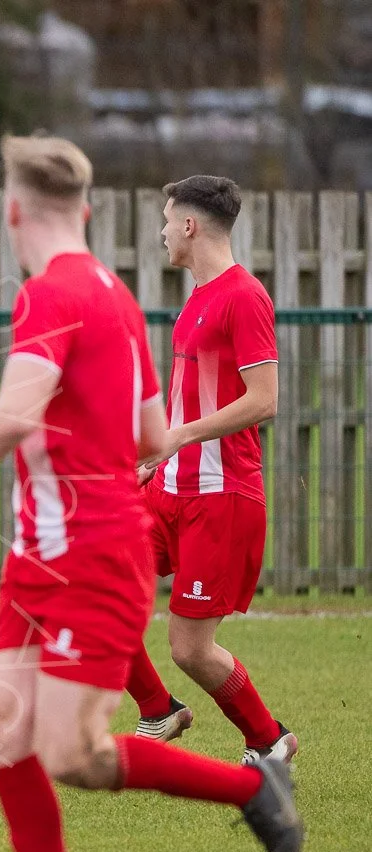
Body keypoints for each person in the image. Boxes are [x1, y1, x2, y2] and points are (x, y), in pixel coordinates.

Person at [0, 137, 303, 852]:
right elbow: (150, 431)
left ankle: (252, 789)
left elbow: (13, 413)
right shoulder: (113, 293)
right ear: (83, 209)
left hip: (86, 552)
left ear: (12, 211)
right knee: (5, 731)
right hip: (37, 556)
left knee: (76, 755)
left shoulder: (55, 294)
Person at [124, 175, 296, 764]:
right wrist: (156, 461)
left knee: (191, 649)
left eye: (168, 220)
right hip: (169, 490)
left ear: (190, 226)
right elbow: (187, 401)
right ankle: (157, 710)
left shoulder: (244, 296)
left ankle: (269, 742)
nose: (163, 232)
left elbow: (264, 398)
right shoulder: (197, 298)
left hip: (220, 497)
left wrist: (178, 438)